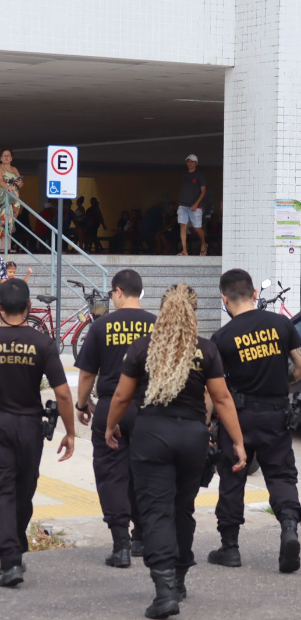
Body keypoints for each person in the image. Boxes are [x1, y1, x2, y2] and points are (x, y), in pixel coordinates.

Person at [105, 284, 246, 619]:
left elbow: (122, 397)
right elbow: (222, 400)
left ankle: (165, 588)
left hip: (152, 434)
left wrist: (110, 426)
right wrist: (238, 442)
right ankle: (180, 578)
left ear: (162, 311)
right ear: (192, 313)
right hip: (193, 437)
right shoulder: (206, 349)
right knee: (182, 508)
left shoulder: (143, 348)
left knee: (155, 511)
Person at [0, 278, 75, 587]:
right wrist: (71, 433)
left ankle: (10, 558)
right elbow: (63, 394)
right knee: (23, 490)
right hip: (30, 427)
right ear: (27, 309)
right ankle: (15, 551)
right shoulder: (43, 343)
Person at [209, 269, 301, 573]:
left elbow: (216, 389)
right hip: (276, 415)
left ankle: (230, 548)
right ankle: (289, 528)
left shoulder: (221, 338)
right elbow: (300, 364)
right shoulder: (282, 325)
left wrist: (208, 420)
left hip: (238, 417)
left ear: (224, 298)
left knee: (233, 476)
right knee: (281, 474)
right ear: (255, 294)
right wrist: (286, 383)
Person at [75, 269, 156, 567]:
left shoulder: (101, 326)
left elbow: (87, 374)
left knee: (112, 473)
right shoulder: (156, 324)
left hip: (112, 407)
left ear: (119, 292)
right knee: (146, 473)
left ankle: (121, 544)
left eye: (112, 294)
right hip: (149, 409)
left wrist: (82, 404)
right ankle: (143, 536)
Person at [177, 154, 207, 256]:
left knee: (197, 228)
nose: (189, 163)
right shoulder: (184, 175)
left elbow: (203, 191)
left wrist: (196, 204)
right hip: (183, 205)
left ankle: (203, 244)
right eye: (188, 161)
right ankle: (184, 250)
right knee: (183, 226)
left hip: (195, 206)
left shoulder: (199, 176)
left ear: (196, 163)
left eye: (192, 161)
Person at [0, 148, 23, 253]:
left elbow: (21, 183)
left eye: (8, 155)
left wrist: (20, 183)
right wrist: (7, 187)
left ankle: (9, 246)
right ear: (1, 158)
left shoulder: (14, 169)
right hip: (4, 197)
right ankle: (3, 246)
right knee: (4, 219)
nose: (6, 157)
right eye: (4, 155)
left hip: (14, 197)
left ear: (11, 158)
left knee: (11, 221)